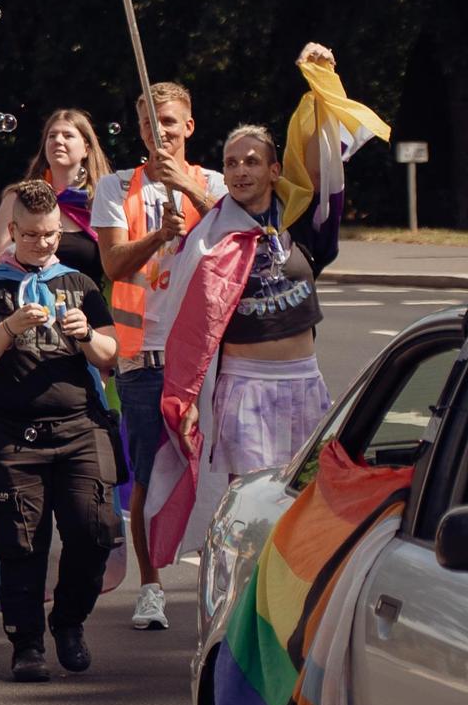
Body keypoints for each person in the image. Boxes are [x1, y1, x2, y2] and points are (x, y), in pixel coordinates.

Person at [147, 48, 362, 572]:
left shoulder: (302, 226)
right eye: (231, 163)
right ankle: (239, 618)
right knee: (252, 517)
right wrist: (190, 397)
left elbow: (320, 156)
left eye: (251, 161)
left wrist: (321, 80)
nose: (240, 170)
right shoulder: (208, 237)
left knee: (309, 509)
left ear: (273, 169)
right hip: (245, 390)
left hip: (307, 386)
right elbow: (189, 327)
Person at [0, 178, 119, 680]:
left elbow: (112, 356)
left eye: (50, 234)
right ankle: (26, 643)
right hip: (10, 434)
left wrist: (87, 335)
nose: (42, 244)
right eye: (31, 235)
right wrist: (9, 328)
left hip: (78, 427)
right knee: (22, 544)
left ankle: (69, 621)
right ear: (12, 231)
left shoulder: (80, 282)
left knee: (94, 532)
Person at [92, 81, 221, 632]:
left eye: (169, 122)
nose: (160, 132)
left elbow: (242, 235)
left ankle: (218, 582)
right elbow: (116, 264)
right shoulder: (116, 185)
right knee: (148, 472)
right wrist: (156, 237)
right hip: (143, 355)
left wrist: (188, 193)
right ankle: (150, 587)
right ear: (139, 129)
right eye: (150, 123)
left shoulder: (214, 182)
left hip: (203, 353)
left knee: (215, 471)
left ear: (188, 126)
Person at [0, 111, 110, 273]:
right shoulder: (18, 198)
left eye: (68, 135)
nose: (58, 140)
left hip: (86, 297)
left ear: (86, 149)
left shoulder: (101, 201)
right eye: (52, 136)